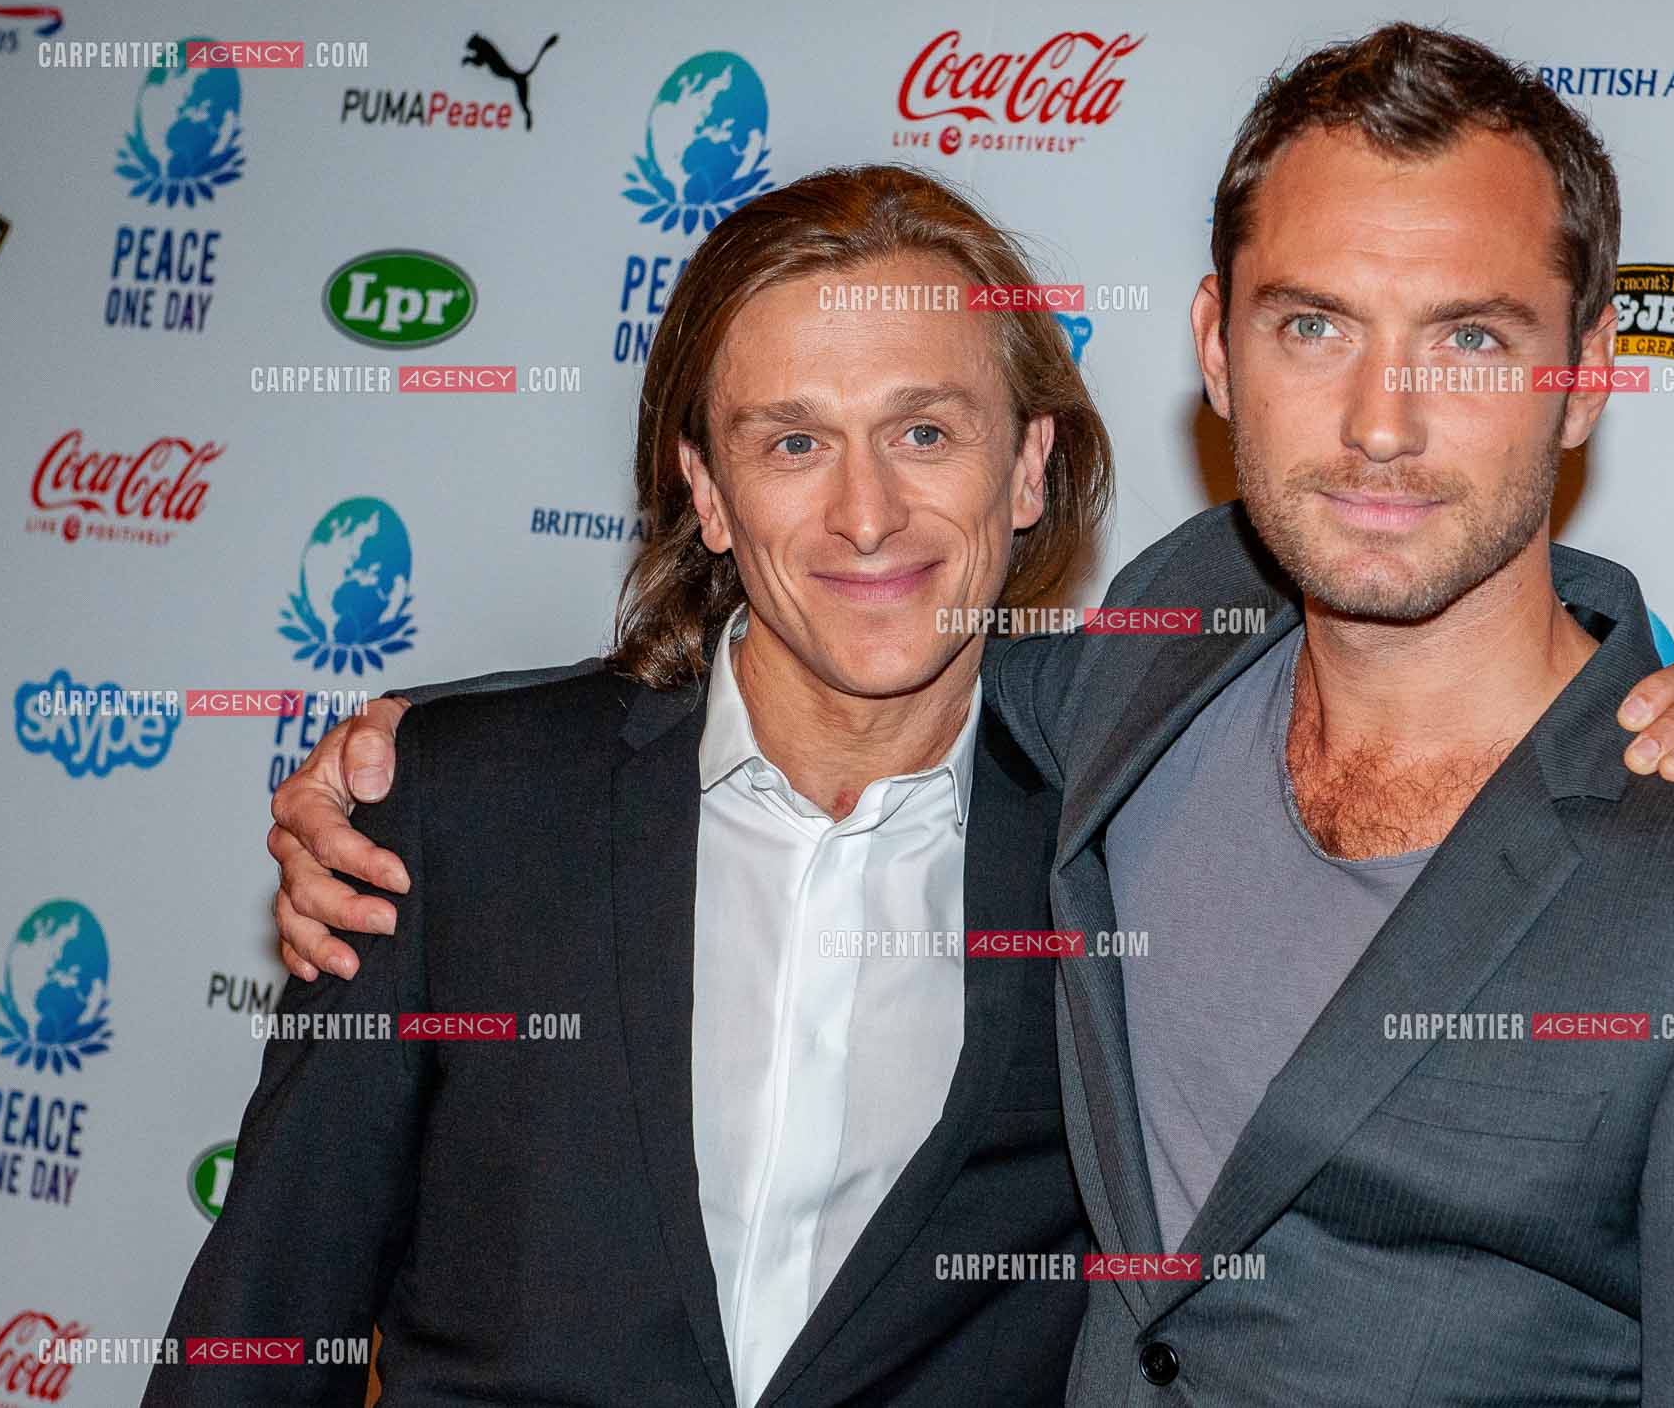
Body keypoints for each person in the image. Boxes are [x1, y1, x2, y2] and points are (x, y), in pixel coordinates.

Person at [257, 41, 1674, 1405]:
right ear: (1215, 353)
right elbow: (820, 638)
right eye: (1312, 326)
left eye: (1468, 339)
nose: (1380, 423)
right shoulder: (1137, 674)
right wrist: (410, 746)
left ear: (1584, 375)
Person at [148, 166, 1108, 1407]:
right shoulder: (457, 812)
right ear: (707, 490)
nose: (865, 514)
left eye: (925, 432)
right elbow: (263, 1330)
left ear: (1027, 467)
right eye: (793, 443)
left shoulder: (1122, 836)